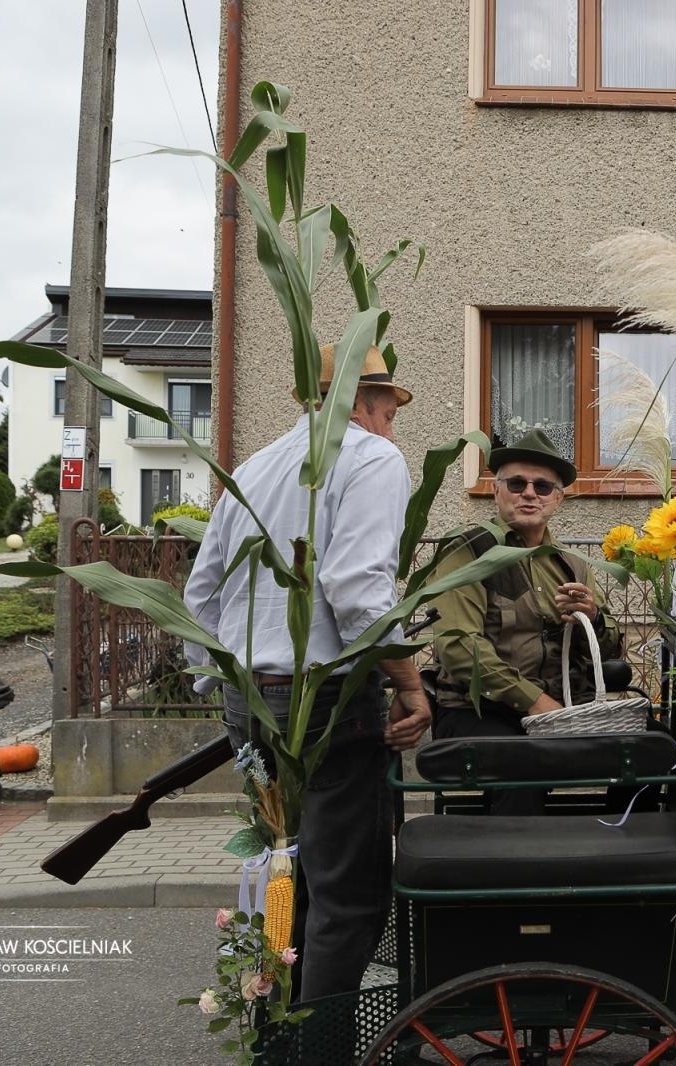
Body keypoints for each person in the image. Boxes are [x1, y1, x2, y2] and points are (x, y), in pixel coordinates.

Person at [183, 342, 428, 1001]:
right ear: (370, 403)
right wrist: (409, 683)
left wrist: (226, 686)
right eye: (391, 410)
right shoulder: (373, 457)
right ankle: (317, 1046)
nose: (392, 426)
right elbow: (359, 591)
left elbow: (198, 597)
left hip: (250, 706)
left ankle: (279, 1028)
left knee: (290, 878)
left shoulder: (256, 468)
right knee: (348, 898)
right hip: (327, 701)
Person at [427, 428, 623, 815]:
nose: (529, 493)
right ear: (496, 490)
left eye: (543, 486)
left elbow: (611, 646)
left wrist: (593, 618)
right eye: (516, 483)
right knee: (523, 764)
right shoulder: (468, 552)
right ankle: (517, 870)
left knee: (652, 751)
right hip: (479, 713)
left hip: (563, 712)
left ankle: (620, 857)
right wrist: (535, 702)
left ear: (558, 498)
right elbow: (458, 647)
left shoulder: (573, 564)